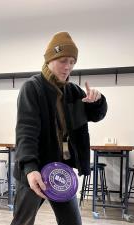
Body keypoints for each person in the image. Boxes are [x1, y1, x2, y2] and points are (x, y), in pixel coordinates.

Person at [11, 31, 107, 225]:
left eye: (72, 62)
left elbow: (97, 115)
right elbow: (26, 132)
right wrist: (30, 168)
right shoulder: (33, 87)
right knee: (23, 221)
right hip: (35, 170)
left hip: (60, 172)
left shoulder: (72, 91)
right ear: (50, 60)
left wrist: (97, 101)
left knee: (72, 222)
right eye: (63, 60)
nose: (68, 67)